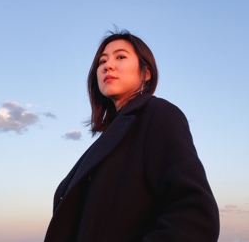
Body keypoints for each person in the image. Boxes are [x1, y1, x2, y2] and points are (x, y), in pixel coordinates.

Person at [44, 30, 219, 241]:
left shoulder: (159, 115)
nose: (107, 66)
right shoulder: (111, 136)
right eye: (102, 61)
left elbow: (195, 216)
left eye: (120, 57)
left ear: (146, 72)